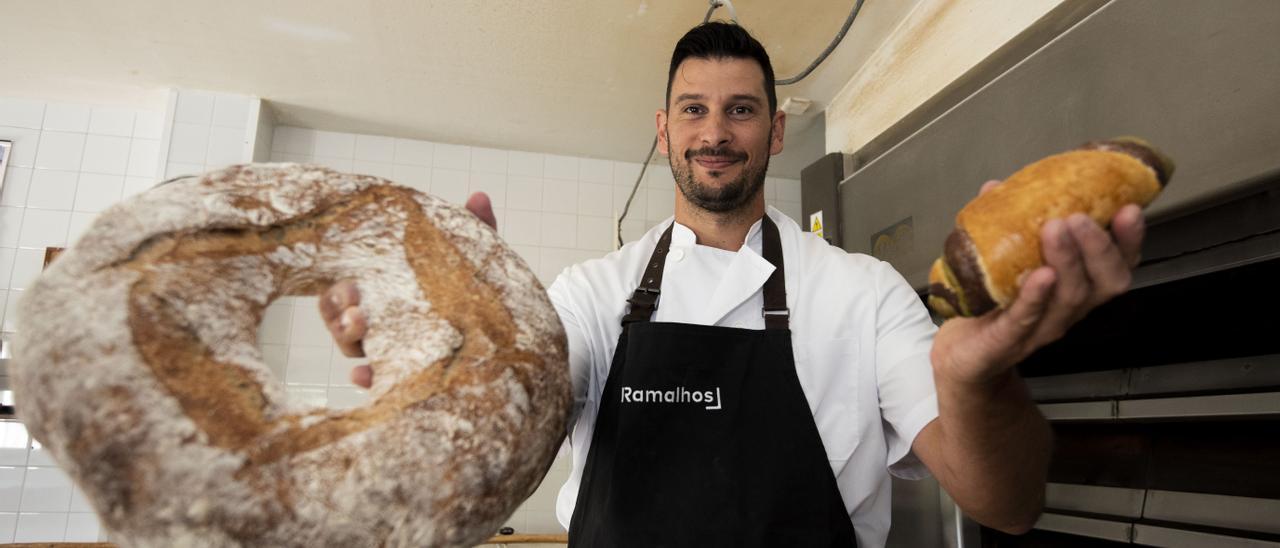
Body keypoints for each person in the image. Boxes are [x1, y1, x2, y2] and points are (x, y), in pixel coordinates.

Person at [320, 22, 1146, 548]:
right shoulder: (591, 294)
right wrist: (459, 354)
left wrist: (977, 379)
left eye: (742, 110)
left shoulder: (866, 295)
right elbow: (495, 454)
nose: (715, 132)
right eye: (694, 110)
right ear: (664, 129)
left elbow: (1006, 505)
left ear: (777, 130)